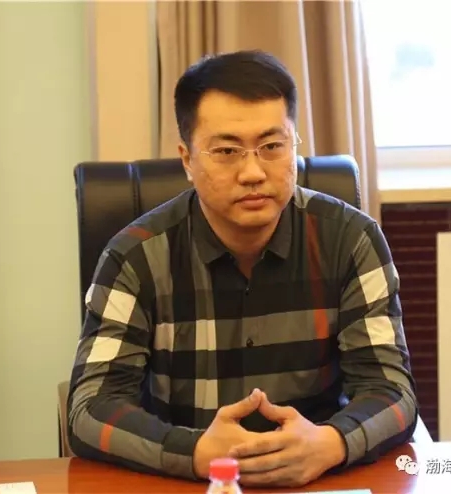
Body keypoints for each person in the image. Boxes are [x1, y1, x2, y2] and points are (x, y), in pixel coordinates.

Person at [67, 49, 418, 488]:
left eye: (272, 146)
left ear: (294, 146)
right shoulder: (135, 257)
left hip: (314, 481)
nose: (253, 172)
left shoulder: (352, 241)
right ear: (187, 160)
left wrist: (330, 443)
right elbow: (90, 408)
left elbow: (392, 391)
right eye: (227, 151)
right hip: (189, 482)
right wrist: (195, 452)